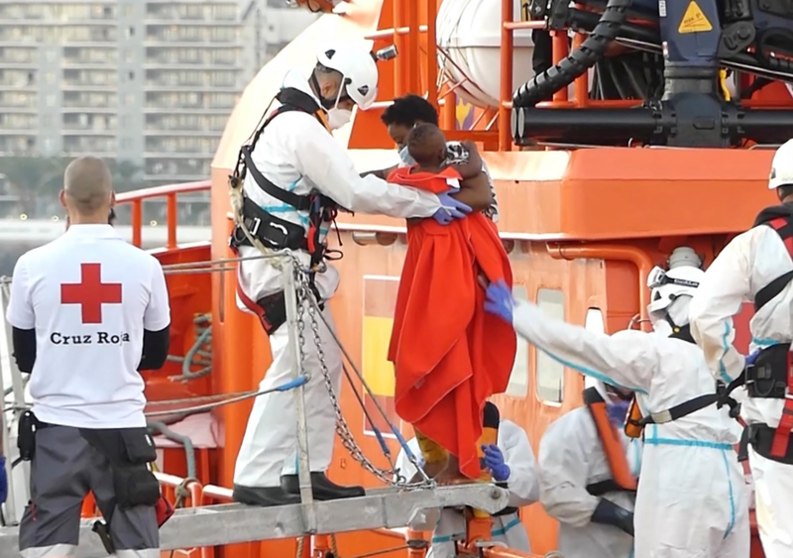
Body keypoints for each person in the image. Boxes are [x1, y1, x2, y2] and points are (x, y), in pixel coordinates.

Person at [229, 40, 474, 507]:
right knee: (295, 366)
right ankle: (257, 474)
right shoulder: (300, 129)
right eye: (346, 101)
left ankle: (305, 469)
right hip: (280, 265)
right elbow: (355, 192)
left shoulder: (294, 121)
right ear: (333, 84)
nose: (346, 111)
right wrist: (426, 203)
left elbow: (343, 180)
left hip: (288, 265)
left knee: (321, 365)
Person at [483, 247, 750, 558]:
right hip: (731, 483)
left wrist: (521, 315)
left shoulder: (658, 354)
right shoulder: (731, 364)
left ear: (667, 305)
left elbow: (581, 346)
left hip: (681, 483)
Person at [6, 156, 171, 558]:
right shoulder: (146, 267)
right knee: (138, 550)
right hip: (124, 431)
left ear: (64, 199)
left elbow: (25, 356)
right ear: (113, 199)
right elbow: (156, 353)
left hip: (56, 432)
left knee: (45, 549)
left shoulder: (31, 267)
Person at [386, 124, 516, 482]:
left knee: (428, 369)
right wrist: (464, 158)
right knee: (459, 375)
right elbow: (481, 186)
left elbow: (369, 181)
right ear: (444, 153)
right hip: (457, 297)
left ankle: (451, 461)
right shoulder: (458, 186)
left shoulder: (404, 184)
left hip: (431, 299)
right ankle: (454, 461)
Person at [689, 138, 793, 558]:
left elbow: (704, 315)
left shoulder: (757, 244)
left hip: (779, 409)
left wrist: (732, 372)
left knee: (785, 536)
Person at [395, 403, 539, 558]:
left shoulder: (506, 435)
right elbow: (418, 520)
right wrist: (428, 484)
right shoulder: (419, 451)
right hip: (449, 542)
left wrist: (507, 474)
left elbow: (532, 489)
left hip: (504, 542)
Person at [538, 380, 639, 558]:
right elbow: (556, 493)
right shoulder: (572, 428)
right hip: (590, 546)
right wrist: (615, 515)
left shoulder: (654, 430)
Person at [373, 94, 500, 223]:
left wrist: (426, 205)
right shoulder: (414, 163)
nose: (401, 148)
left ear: (418, 127)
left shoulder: (454, 152)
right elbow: (386, 174)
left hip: (471, 236)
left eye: (401, 141)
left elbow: (481, 198)